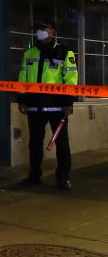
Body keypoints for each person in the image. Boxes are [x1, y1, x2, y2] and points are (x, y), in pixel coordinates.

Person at [17, 21, 78, 189]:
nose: (39, 32)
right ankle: (34, 175)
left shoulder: (65, 52)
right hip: (34, 106)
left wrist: (68, 103)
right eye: (37, 30)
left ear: (52, 31)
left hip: (57, 107)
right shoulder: (29, 53)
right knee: (34, 143)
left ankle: (63, 178)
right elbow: (23, 78)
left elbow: (71, 79)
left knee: (62, 144)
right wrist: (22, 100)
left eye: (43, 29)